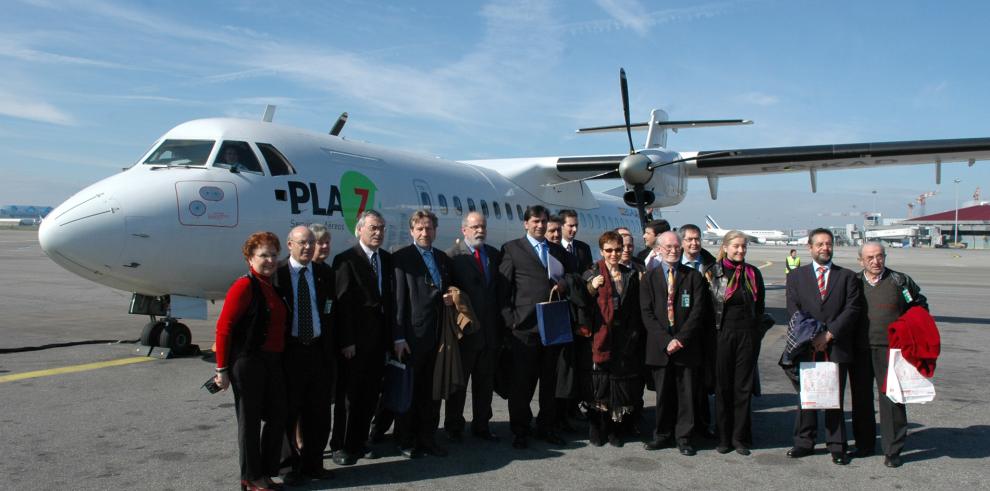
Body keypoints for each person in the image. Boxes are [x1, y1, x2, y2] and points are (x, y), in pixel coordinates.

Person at [213, 232, 288, 491]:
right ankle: (250, 477)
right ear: (249, 258)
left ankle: (265, 471)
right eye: (263, 255)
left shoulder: (271, 284)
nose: (269, 260)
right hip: (248, 362)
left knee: (278, 415)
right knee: (250, 422)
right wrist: (221, 369)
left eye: (273, 255)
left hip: (272, 361)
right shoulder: (244, 286)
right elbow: (224, 328)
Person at [499, 205, 576, 449]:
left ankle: (547, 426)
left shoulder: (556, 250)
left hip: (552, 325)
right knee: (522, 383)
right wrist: (510, 321)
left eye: (543, 221)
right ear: (526, 224)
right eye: (535, 221)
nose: (540, 225)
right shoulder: (512, 249)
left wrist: (563, 283)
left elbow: (573, 275)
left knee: (550, 382)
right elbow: (503, 290)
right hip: (525, 328)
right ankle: (520, 429)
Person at [785, 228, 863, 465]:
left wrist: (828, 334)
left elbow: (852, 309)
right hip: (807, 345)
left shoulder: (847, 276)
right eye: (819, 244)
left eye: (828, 244)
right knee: (806, 396)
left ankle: (837, 445)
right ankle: (804, 442)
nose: (824, 248)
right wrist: (813, 336)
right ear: (810, 247)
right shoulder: (796, 276)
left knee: (834, 397)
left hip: (835, 345)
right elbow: (794, 309)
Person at [850, 241, 927, 468]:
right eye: (870, 258)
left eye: (880, 256)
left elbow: (919, 307)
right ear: (861, 261)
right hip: (860, 350)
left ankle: (893, 450)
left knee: (892, 399)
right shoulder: (853, 282)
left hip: (891, 351)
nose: (876, 261)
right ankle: (864, 445)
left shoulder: (899, 281)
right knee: (861, 399)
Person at [329, 210, 395, 466]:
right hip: (354, 343)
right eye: (372, 228)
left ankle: (359, 441)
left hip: (379, 342)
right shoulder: (346, 261)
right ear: (359, 230)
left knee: (369, 395)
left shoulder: (387, 260)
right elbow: (342, 305)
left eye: (380, 228)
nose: (378, 233)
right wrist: (346, 341)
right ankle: (340, 445)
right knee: (348, 397)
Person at [274, 226, 336, 483]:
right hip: (290, 352)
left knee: (319, 412)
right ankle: (288, 468)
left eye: (311, 242)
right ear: (289, 244)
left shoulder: (324, 273)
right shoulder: (277, 274)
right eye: (302, 243)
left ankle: (314, 463)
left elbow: (332, 311)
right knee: (288, 412)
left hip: (319, 351)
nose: (308, 247)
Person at [639, 231, 710, 456]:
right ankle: (662, 434)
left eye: (677, 246)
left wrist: (679, 339)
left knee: (686, 394)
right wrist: (666, 340)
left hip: (686, 347)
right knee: (664, 395)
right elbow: (646, 313)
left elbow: (698, 312)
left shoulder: (693, 277)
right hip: (660, 347)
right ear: (658, 250)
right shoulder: (648, 278)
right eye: (668, 246)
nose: (673, 250)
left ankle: (684, 437)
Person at [392, 209, 453, 458]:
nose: (425, 233)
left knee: (432, 392)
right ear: (411, 231)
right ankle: (405, 439)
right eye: (420, 229)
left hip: (438, 336)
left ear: (435, 231)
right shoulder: (401, 258)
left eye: (429, 228)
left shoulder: (441, 258)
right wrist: (398, 336)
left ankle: (428, 437)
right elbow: (398, 301)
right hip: (412, 337)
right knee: (410, 391)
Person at [582, 231, 645, 447]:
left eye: (617, 250)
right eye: (608, 250)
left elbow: (635, 308)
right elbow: (582, 299)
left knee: (619, 385)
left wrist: (634, 334)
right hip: (601, 335)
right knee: (600, 385)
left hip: (623, 336)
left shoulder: (630, 274)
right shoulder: (593, 271)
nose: (614, 254)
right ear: (601, 251)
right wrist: (592, 286)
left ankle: (615, 429)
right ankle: (597, 428)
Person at [445, 211, 502, 443]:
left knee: (485, 383)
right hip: (466, 334)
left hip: (490, 334)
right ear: (464, 230)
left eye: (483, 226)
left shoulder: (494, 255)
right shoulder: (452, 257)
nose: (480, 230)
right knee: (459, 385)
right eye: (475, 227)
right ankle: (454, 427)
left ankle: (481, 425)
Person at [707, 231, 765, 455]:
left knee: (743, 388)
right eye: (736, 246)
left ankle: (740, 437)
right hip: (722, 335)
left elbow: (760, 309)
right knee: (723, 388)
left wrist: (756, 334)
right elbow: (707, 309)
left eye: (744, 247)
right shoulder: (713, 273)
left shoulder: (753, 273)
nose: (740, 250)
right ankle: (723, 437)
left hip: (746, 335)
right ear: (726, 247)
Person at [680, 223, 718, 441]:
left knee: (703, 381)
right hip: (680, 330)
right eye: (689, 239)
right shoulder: (673, 263)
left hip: (705, 330)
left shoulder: (711, 265)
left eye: (697, 239)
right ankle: (682, 424)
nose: (694, 243)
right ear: (682, 242)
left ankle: (703, 424)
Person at [559, 209, 594, 273]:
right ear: (561, 226)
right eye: (571, 226)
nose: (575, 229)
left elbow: (589, 271)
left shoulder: (584, 248)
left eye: (576, 225)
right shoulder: (553, 248)